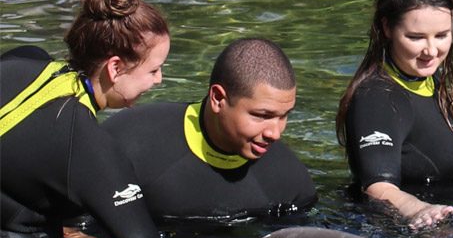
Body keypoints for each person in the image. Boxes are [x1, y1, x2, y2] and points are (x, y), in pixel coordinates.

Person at [0, 0, 192, 238]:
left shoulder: (23, 58)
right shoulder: (89, 146)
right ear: (115, 68)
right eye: (154, 69)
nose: (159, 79)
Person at [101, 38, 317, 221]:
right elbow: (74, 230)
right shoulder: (131, 141)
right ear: (218, 98)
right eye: (262, 116)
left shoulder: (291, 182)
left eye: (284, 116)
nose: (275, 133)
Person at [336, 0, 453, 230]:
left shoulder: (432, 81)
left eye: (442, 35)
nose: (431, 50)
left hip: (450, 217)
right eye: (415, 37)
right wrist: (419, 210)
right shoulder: (376, 98)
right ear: (387, 28)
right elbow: (378, 187)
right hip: (402, 234)